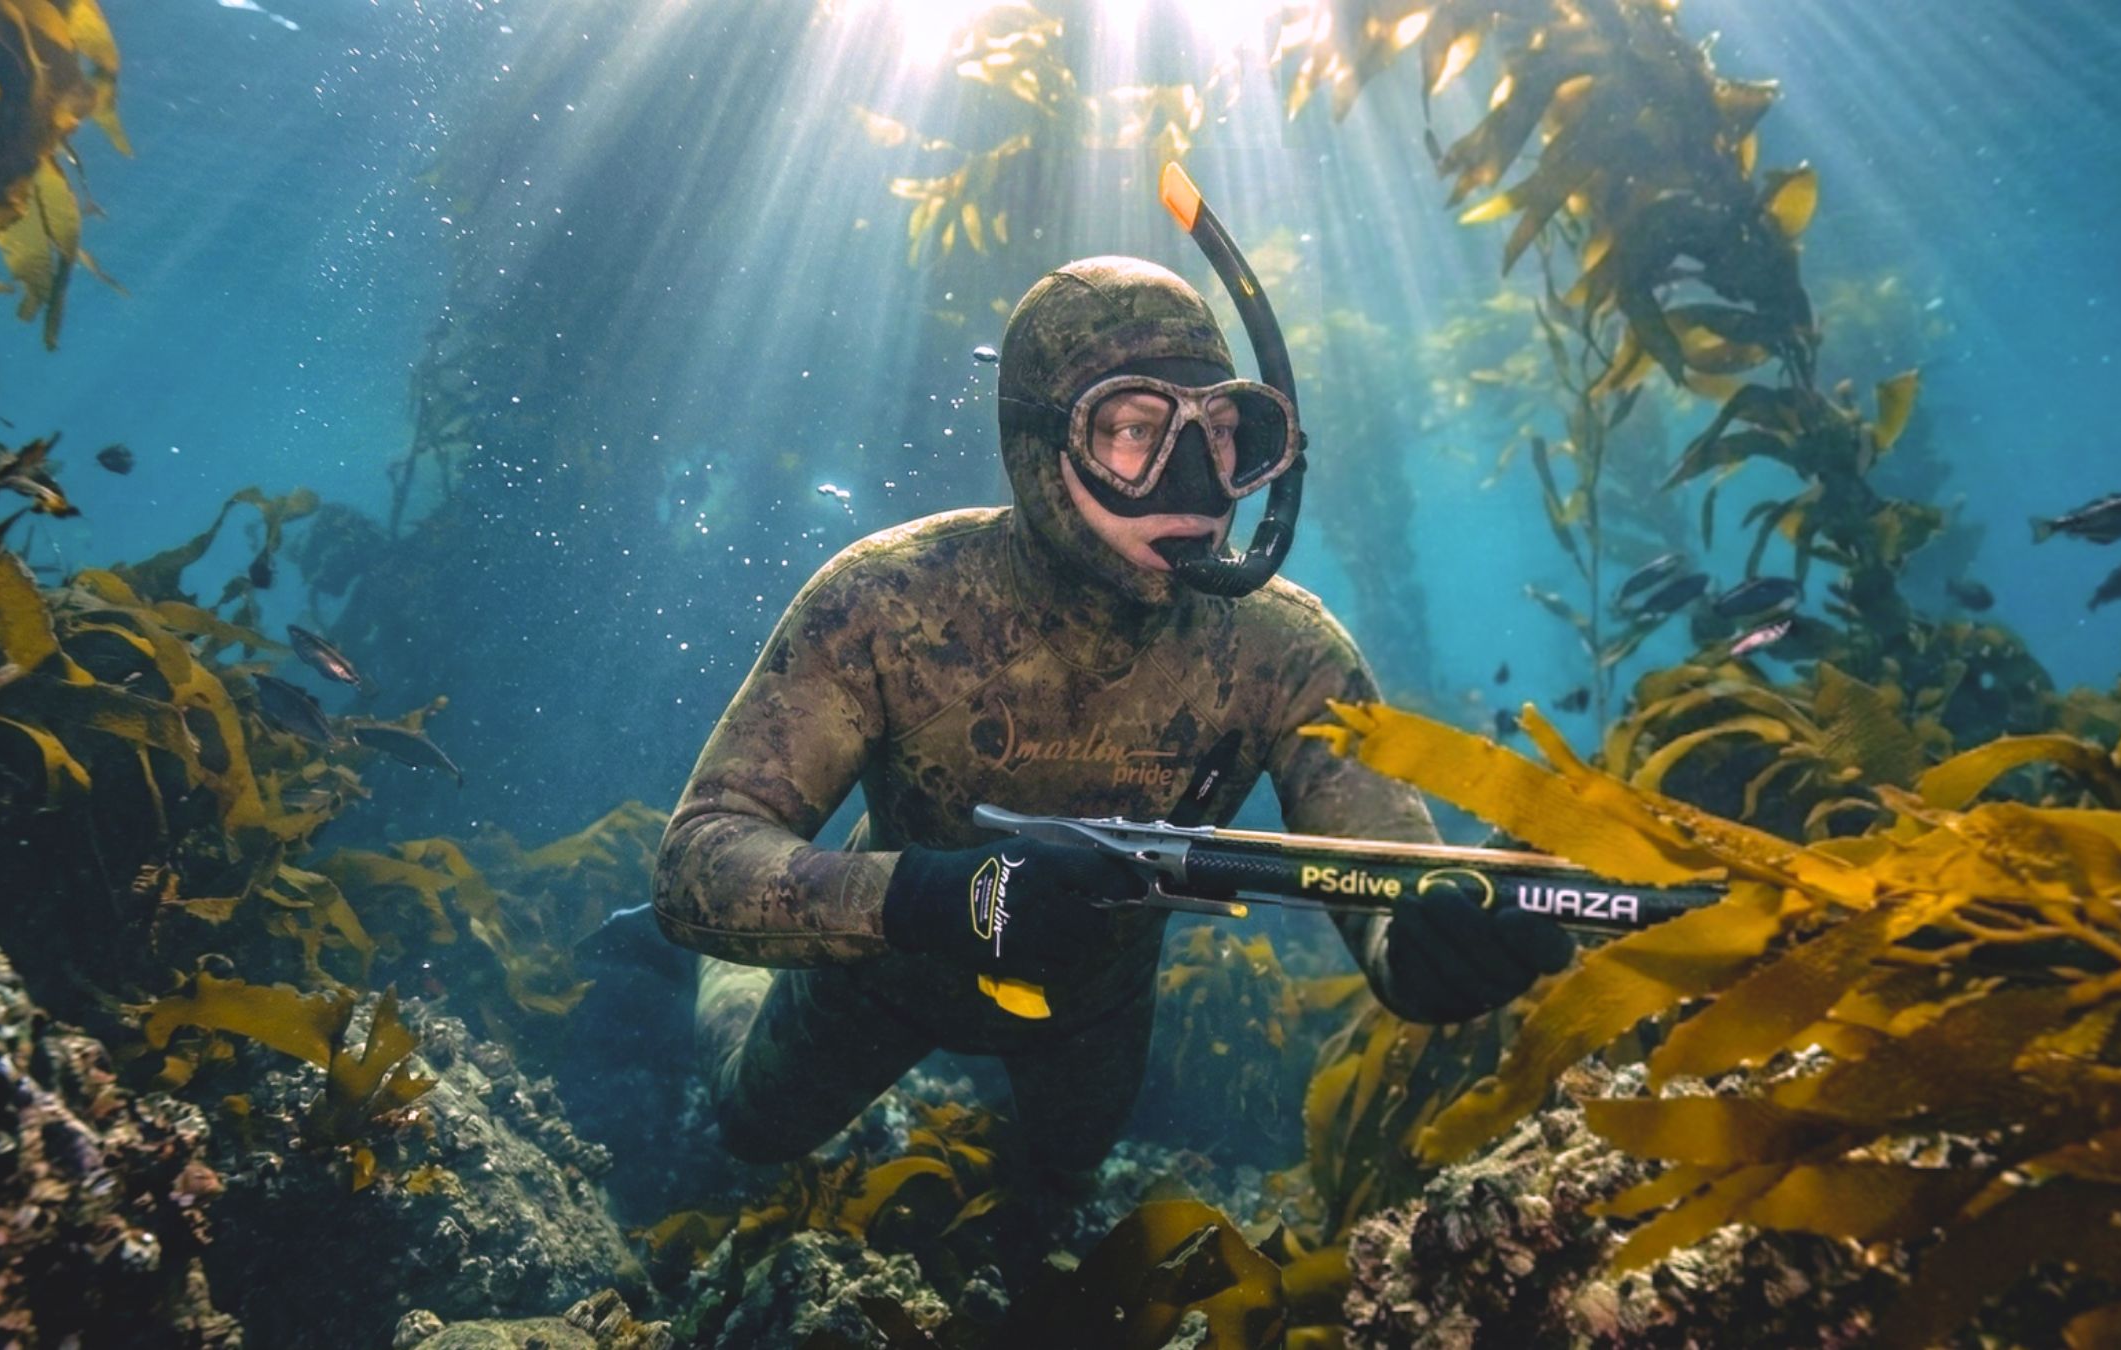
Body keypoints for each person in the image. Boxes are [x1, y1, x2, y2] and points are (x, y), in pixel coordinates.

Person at [651, 251, 1573, 1183]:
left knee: (1058, 1192)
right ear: (1037, 447)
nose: (1196, 482)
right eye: (1131, 429)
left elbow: (1382, 874)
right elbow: (699, 861)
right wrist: (942, 899)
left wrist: (1423, 951)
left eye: (1222, 433)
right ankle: (729, 985)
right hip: (874, 982)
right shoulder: (887, 602)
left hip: (1092, 1011)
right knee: (750, 1126)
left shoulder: (1284, 651)